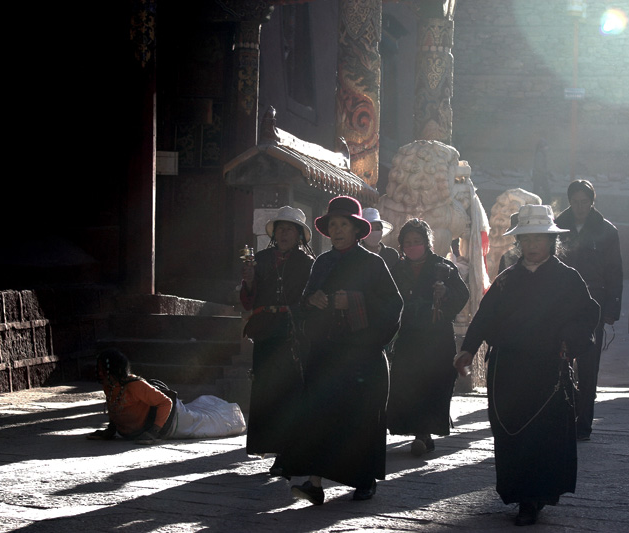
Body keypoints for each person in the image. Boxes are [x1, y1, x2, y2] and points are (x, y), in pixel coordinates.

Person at [453, 204, 599, 526]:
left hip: (548, 371)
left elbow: (588, 315)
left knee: (542, 435)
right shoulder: (506, 280)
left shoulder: (567, 279)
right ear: (519, 242)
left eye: (539, 239)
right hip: (508, 370)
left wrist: (568, 341)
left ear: (551, 241)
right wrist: (467, 350)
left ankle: (534, 498)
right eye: (526, 239)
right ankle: (519, 493)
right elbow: (484, 317)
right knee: (512, 434)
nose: (532, 246)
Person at [281, 196, 403, 505]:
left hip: (362, 356)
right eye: (332, 225)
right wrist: (313, 302)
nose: (337, 230)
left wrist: (356, 301)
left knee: (359, 420)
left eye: (343, 224)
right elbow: (303, 302)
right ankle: (314, 482)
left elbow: (394, 305)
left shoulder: (373, 263)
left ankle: (363, 480)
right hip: (326, 354)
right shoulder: (322, 262)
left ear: (357, 229)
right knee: (319, 417)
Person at [239, 206, 315, 476]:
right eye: (281, 229)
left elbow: (312, 301)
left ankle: (287, 452)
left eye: (290, 230)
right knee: (265, 392)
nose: (284, 234)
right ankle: (270, 445)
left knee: (288, 392)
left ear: (299, 236)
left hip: (292, 334)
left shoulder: (308, 264)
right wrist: (248, 283)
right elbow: (248, 301)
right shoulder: (258, 260)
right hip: (265, 332)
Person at [386, 218, 469, 456]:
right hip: (408, 337)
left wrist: (446, 294)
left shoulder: (442, 267)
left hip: (436, 338)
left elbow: (462, 294)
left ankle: (425, 432)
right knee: (408, 384)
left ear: (427, 243)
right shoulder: (397, 269)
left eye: (417, 241)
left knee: (433, 383)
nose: (412, 246)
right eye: (408, 242)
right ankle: (415, 429)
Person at [555, 179, 623, 441]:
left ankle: (583, 423)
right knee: (559, 362)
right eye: (575, 202)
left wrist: (611, 308)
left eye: (585, 202)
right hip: (562, 304)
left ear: (592, 202)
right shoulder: (558, 227)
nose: (580, 207)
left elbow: (615, 272)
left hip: (593, 304)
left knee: (588, 365)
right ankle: (561, 419)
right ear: (569, 202)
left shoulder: (606, 231)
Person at [87, 349, 246, 444]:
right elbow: (116, 407)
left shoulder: (135, 385)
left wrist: (154, 432)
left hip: (171, 419)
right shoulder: (109, 385)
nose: (99, 372)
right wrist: (111, 429)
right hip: (151, 422)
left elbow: (165, 402)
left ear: (113, 369)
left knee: (208, 422)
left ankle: (232, 412)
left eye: (103, 368)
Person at [531, 139, 551, 204]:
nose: (547, 148)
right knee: (539, 191)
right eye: (546, 147)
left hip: (541, 175)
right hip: (539, 176)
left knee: (543, 190)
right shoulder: (539, 155)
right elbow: (539, 167)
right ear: (542, 147)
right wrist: (547, 172)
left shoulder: (541, 154)